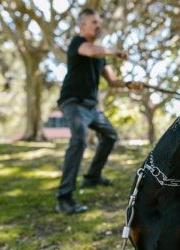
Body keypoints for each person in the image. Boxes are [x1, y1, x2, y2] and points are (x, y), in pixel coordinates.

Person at [55, 7, 143, 215]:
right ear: (82, 26)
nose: (98, 25)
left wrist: (130, 84)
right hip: (73, 102)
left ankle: (92, 177)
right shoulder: (78, 44)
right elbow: (93, 51)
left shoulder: (100, 55)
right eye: (94, 22)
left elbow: (112, 81)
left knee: (111, 135)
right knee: (78, 140)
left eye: (99, 22)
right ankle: (64, 197)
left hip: (91, 107)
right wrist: (115, 51)